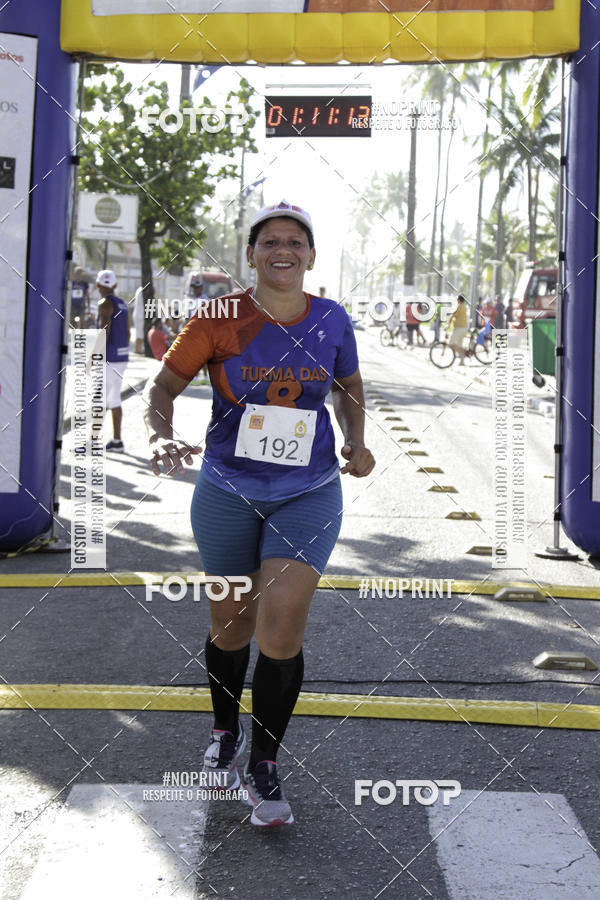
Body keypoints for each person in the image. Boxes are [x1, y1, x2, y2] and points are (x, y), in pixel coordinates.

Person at [144, 200, 375, 827]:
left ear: (310, 256)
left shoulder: (330, 318)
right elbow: (162, 385)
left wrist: (357, 438)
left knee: (280, 628)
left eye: (295, 242)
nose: (283, 250)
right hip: (226, 487)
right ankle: (225, 729)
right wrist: (161, 432)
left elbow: (348, 387)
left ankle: (265, 768)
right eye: (270, 241)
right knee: (231, 624)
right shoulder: (220, 315)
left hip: (308, 490)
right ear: (251, 255)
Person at [96, 269, 130, 452]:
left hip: (108, 358)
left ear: (98, 285)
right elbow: (127, 332)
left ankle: (93, 441)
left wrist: (94, 355)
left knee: (99, 398)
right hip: (122, 357)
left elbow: (104, 330)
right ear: (115, 285)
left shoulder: (105, 303)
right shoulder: (123, 304)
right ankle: (117, 441)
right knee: (114, 398)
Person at [446, 293, 469, 365]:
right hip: (464, 328)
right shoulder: (464, 306)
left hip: (459, 328)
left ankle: (463, 352)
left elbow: (452, 316)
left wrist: (448, 325)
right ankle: (462, 361)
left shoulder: (458, 307)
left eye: (457, 299)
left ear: (459, 299)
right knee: (459, 345)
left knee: (451, 344)